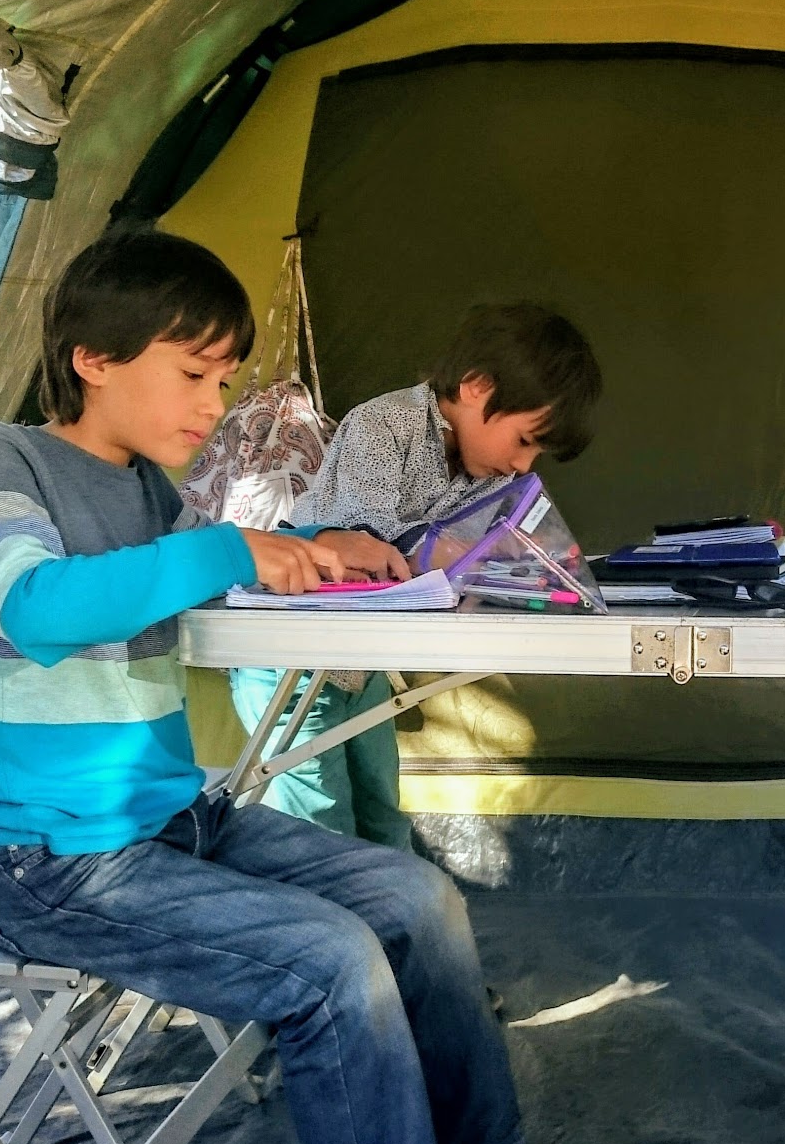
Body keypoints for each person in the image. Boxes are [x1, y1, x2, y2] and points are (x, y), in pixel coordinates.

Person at [0, 231, 651, 1144]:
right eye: (194, 374)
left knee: (416, 894)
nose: (212, 403)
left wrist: (323, 556)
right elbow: (34, 609)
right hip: (53, 859)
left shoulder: (146, 491)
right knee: (331, 957)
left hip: (171, 821)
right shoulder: (5, 460)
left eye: (223, 377)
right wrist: (233, 545)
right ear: (93, 356)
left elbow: (215, 596)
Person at [228, 302, 603, 847]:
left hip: (362, 665)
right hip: (291, 662)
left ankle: (395, 925)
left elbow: (471, 563)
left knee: (383, 810)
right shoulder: (385, 424)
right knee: (319, 825)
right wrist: (451, 552)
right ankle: (335, 927)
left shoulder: (482, 475)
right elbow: (361, 538)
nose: (524, 466)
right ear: (476, 387)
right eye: (525, 440)